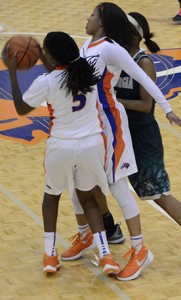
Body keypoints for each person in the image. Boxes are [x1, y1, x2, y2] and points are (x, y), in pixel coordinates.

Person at [61, 2, 181, 281]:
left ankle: (140, 249)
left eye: (93, 14)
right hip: (89, 125)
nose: (88, 17)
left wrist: (167, 109)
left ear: (103, 22)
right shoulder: (86, 46)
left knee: (117, 186)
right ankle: (86, 236)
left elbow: (144, 77)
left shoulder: (110, 49)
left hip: (111, 126)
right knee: (79, 180)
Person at [2, 31, 121, 276]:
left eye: (46, 52)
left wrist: (12, 73)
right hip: (91, 145)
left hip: (61, 146)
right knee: (89, 199)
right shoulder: (87, 72)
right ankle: (106, 255)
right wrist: (49, 61)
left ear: (53, 56)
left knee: (51, 197)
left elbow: (21, 108)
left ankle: (50, 255)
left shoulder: (46, 82)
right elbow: (63, 71)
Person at [115, 11, 181, 274]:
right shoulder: (116, 60)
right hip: (121, 135)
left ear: (133, 34)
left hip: (143, 137)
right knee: (103, 179)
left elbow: (144, 104)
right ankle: (108, 226)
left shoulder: (143, 62)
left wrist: (112, 101)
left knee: (157, 193)